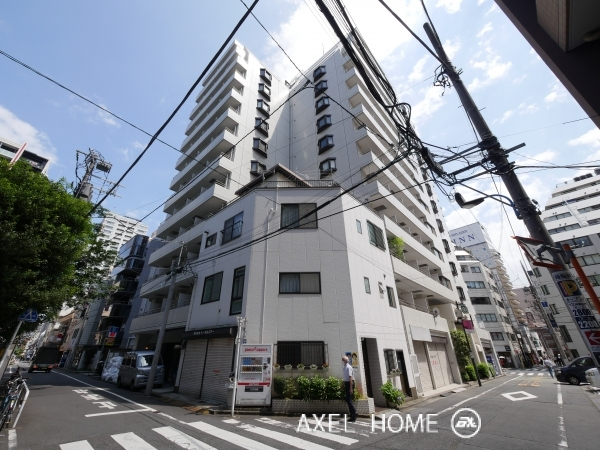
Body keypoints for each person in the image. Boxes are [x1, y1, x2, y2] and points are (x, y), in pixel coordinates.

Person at [342, 355, 357, 422]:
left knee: (348, 399)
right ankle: (352, 416)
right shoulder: (344, 367)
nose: (343, 361)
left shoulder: (348, 367)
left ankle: (354, 412)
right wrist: (343, 384)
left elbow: (350, 378)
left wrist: (351, 388)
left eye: (343, 360)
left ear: (345, 360)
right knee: (348, 399)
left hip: (350, 383)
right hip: (347, 383)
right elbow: (345, 378)